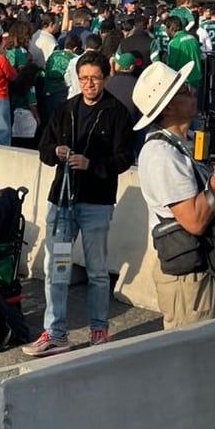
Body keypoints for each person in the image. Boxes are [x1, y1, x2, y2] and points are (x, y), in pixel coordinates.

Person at [23, 53, 134, 356]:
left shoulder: (117, 113)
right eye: (83, 78)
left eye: (94, 78)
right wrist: (54, 152)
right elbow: (43, 147)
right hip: (62, 202)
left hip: (96, 203)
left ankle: (99, 327)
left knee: (97, 271)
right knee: (57, 269)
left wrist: (92, 163)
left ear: (105, 78)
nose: (88, 84)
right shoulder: (65, 110)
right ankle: (56, 333)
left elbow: (124, 158)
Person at [134, 61, 215, 328]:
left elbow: (206, 195)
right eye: (184, 90)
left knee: (210, 357)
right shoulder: (161, 155)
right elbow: (195, 220)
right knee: (193, 361)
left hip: (201, 271)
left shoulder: (179, 146)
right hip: (189, 281)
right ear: (169, 107)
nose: (193, 92)